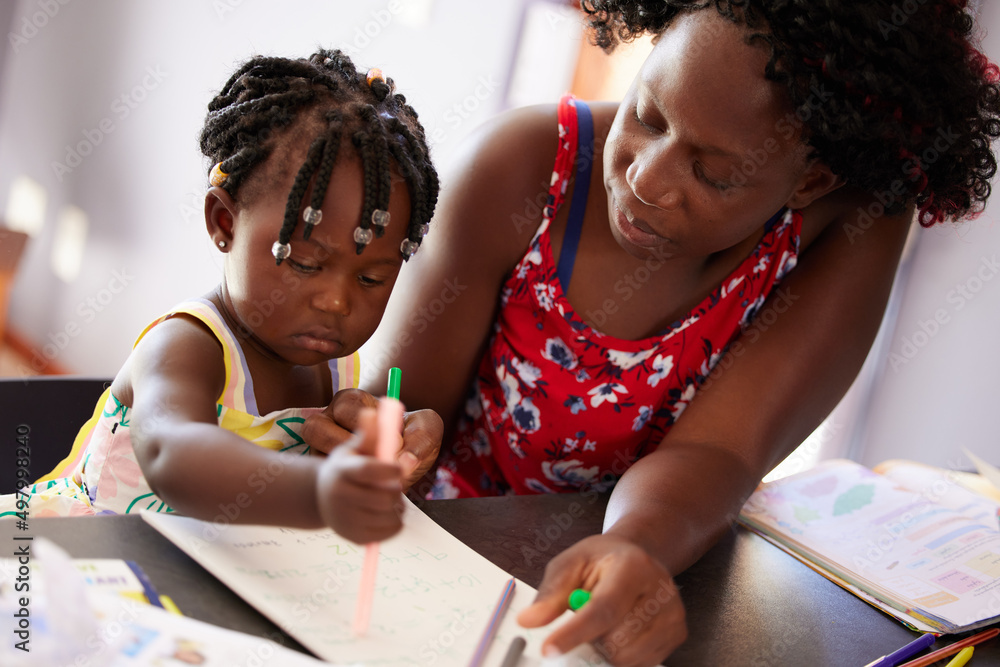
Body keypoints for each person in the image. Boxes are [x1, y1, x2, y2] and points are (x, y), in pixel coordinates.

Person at [315, 1, 1000, 664]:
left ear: (811, 180)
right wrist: (388, 431)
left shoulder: (849, 226)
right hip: (435, 576)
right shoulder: (519, 169)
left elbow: (717, 454)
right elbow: (407, 401)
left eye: (713, 173)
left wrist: (633, 547)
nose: (646, 179)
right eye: (647, 113)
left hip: (651, 577)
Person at [1, 49, 443, 545]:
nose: (337, 302)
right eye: (304, 263)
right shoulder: (188, 346)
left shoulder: (338, 367)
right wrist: (317, 491)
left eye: (371, 278)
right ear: (225, 223)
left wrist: (392, 443)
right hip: (87, 558)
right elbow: (175, 455)